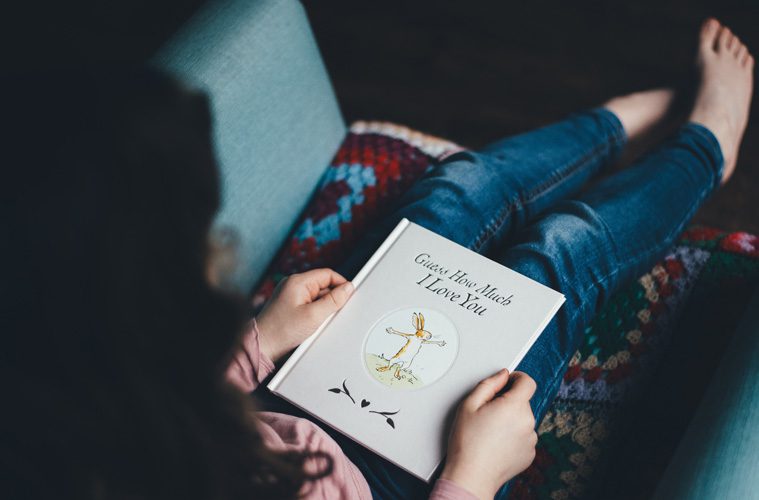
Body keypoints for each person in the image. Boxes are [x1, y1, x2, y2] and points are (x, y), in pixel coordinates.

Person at [3, 17, 752, 500]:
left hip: (287, 399)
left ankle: (609, 129)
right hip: (397, 477)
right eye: (203, 246)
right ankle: (703, 151)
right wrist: (470, 476)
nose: (221, 256)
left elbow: (156, 384)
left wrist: (258, 342)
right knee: (559, 251)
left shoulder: (79, 402)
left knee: (452, 190)